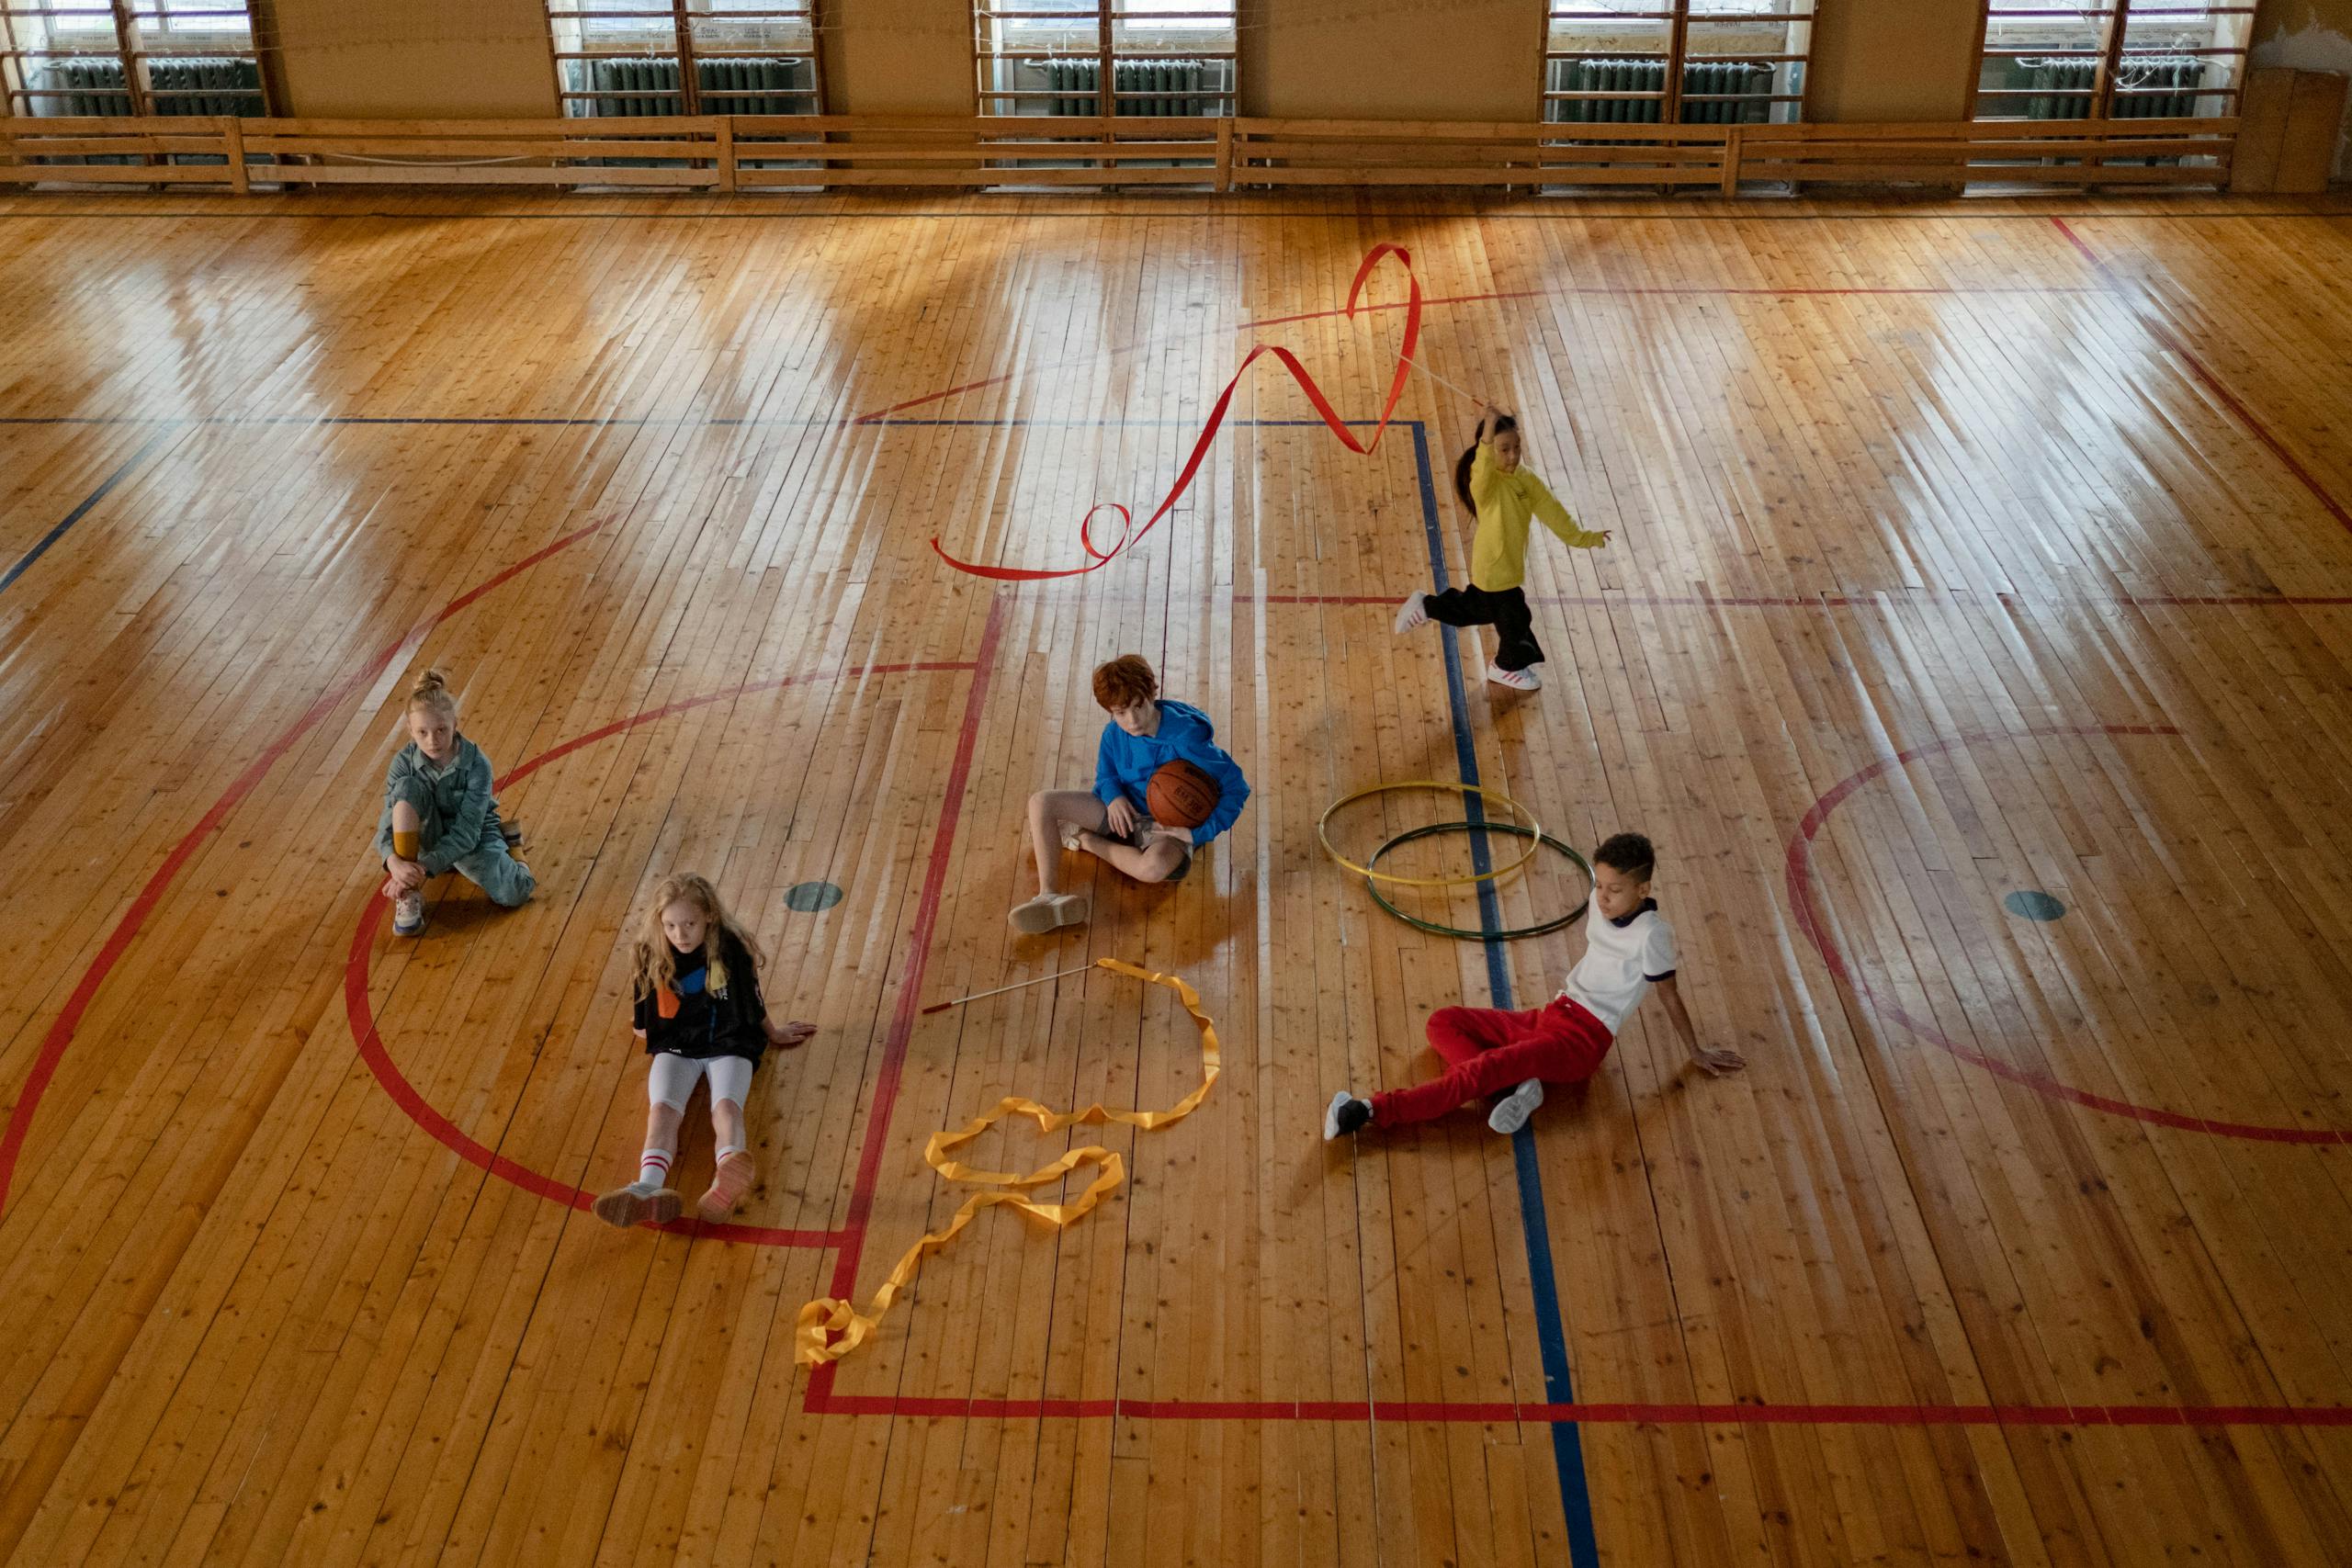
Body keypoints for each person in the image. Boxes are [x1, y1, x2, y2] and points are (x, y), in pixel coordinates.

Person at [1323, 831, 1742, 1139]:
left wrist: (1696, 1050)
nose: (1602, 898)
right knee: (1443, 1022)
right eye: (1599, 885)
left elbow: (1668, 994)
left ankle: (1370, 1110)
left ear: (1643, 889)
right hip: (1552, 1014)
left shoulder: (1653, 936)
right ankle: (1516, 1088)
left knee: (1482, 1067)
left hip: (1582, 1041)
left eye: (1615, 890)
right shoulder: (1603, 906)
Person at [594, 873, 815, 1228]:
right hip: (677, 1049)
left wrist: (773, 1032)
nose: (680, 934)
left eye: (689, 924)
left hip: (729, 1042)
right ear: (659, 923)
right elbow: (642, 1017)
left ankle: (724, 1180)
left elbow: (752, 1001)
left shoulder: (731, 949)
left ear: (710, 916)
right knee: (662, 1112)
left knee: (726, 1107)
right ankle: (647, 1188)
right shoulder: (649, 952)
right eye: (670, 925)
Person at [1010, 653, 1250, 935]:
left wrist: (1197, 834)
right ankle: (1048, 896)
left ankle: (1084, 839)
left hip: (1167, 826)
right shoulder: (1113, 734)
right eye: (1120, 712)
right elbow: (1106, 776)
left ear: (1151, 694)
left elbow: (1237, 787)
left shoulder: (1187, 738)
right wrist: (1113, 797)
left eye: (1138, 706)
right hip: (1125, 815)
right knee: (1041, 802)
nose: (1132, 720)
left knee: (1153, 869)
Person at [1394, 404, 1610, 692]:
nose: (1512, 456)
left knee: (1479, 611)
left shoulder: (1526, 479)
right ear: (1489, 449)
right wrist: (1487, 431)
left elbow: (1553, 512)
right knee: (1514, 617)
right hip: (1494, 567)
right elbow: (1481, 470)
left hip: (1508, 568)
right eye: (1504, 449)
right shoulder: (1486, 484)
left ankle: (1429, 606)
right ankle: (1506, 667)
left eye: (1517, 447)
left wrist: (1584, 537)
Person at [374, 669, 532, 938]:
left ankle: (514, 848)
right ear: (409, 730)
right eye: (422, 732)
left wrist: (424, 867)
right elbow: (388, 822)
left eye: (441, 730)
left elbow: (468, 832)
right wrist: (394, 864)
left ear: (455, 724)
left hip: (470, 838)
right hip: (427, 837)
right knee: (405, 789)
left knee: (515, 892)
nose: (432, 741)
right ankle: (409, 894)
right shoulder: (402, 763)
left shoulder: (477, 764)